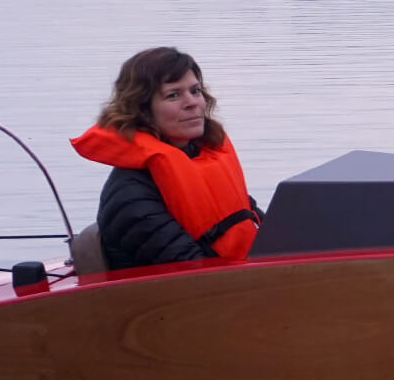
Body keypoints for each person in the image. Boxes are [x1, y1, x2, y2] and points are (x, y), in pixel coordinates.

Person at [71, 47, 260, 271]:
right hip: (175, 300)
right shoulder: (130, 197)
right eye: (173, 95)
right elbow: (196, 275)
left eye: (195, 91)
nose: (192, 103)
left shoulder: (205, 164)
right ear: (142, 110)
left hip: (234, 289)